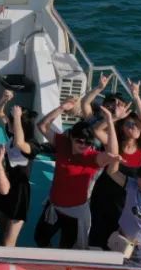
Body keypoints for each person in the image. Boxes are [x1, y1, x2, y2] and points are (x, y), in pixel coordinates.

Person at [33, 99, 120, 250]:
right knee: (40, 238)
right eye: (79, 141)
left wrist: (110, 121)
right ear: (71, 138)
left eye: (87, 143)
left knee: (66, 247)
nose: (83, 145)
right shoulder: (62, 144)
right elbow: (42, 125)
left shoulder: (93, 158)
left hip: (74, 213)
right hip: (54, 205)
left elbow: (113, 153)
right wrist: (61, 108)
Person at [89, 104, 141, 249]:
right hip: (104, 194)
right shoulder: (114, 144)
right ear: (122, 128)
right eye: (129, 124)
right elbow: (97, 130)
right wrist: (113, 118)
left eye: (137, 125)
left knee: (119, 236)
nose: (133, 127)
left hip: (126, 201)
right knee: (98, 231)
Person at [0, 98, 38, 247]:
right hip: (3, 188)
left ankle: (8, 261)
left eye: (11, 122)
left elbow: (20, 143)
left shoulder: (32, 145)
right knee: (1, 233)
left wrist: (17, 117)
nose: (9, 124)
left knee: (8, 242)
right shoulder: (12, 136)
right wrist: (4, 99)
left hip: (19, 194)